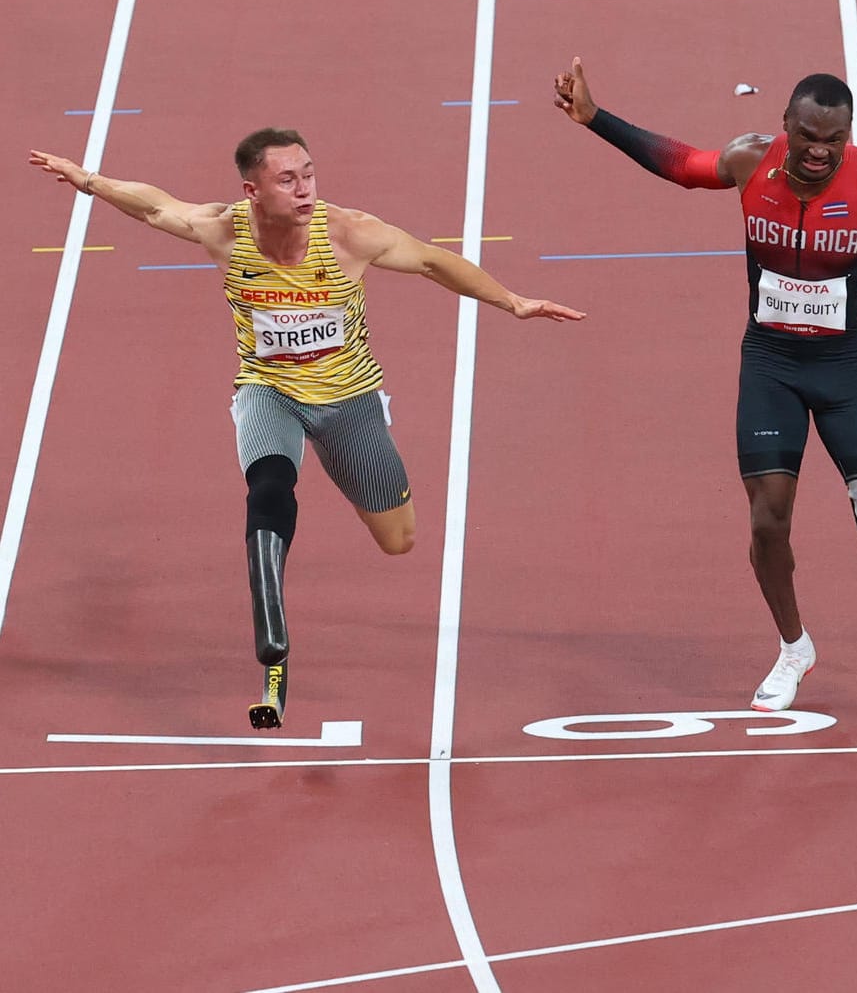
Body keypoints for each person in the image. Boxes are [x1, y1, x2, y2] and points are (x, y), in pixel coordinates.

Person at [27, 131, 585, 727]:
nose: (305, 190)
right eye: (288, 180)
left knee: (399, 541)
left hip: (349, 402)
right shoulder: (225, 229)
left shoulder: (347, 232)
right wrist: (90, 181)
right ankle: (273, 640)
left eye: (310, 175)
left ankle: (304, 553)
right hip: (270, 394)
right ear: (254, 190)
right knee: (267, 488)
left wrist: (512, 302)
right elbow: (157, 206)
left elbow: (431, 260)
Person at [552, 58, 857, 712]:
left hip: (843, 372)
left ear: (849, 136)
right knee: (767, 520)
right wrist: (594, 119)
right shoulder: (752, 160)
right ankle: (793, 648)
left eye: (832, 140)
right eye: (807, 135)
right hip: (771, 365)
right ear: (785, 125)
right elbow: (682, 166)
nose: (818, 151)